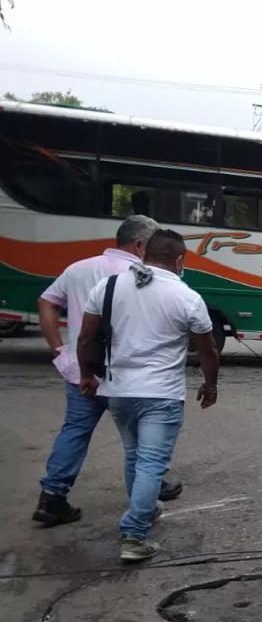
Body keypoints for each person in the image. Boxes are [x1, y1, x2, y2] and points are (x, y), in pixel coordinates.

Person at [77, 229, 221, 563]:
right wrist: (210, 385)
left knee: (134, 455)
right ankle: (135, 534)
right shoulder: (186, 296)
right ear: (180, 260)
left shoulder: (108, 286)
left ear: (145, 254)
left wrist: (86, 375)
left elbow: (86, 338)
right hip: (161, 394)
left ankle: (145, 511)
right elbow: (208, 350)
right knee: (152, 463)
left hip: (118, 391)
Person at [31, 215, 185, 527]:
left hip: (81, 370)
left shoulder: (78, 268)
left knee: (75, 430)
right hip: (127, 375)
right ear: (141, 245)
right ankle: (147, 496)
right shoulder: (143, 276)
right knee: (142, 439)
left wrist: (58, 349)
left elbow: (47, 302)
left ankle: (52, 497)